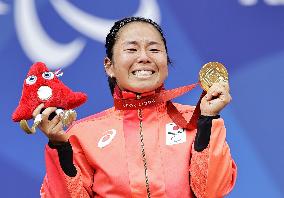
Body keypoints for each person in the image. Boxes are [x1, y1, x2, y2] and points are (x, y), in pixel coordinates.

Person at [37, 17, 237, 198]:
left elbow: (212, 192)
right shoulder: (82, 135)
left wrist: (209, 119)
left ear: (166, 62)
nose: (144, 57)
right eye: (131, 49)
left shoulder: (195, 120)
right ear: (109, 66)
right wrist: (59, 147)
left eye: (154, 49)